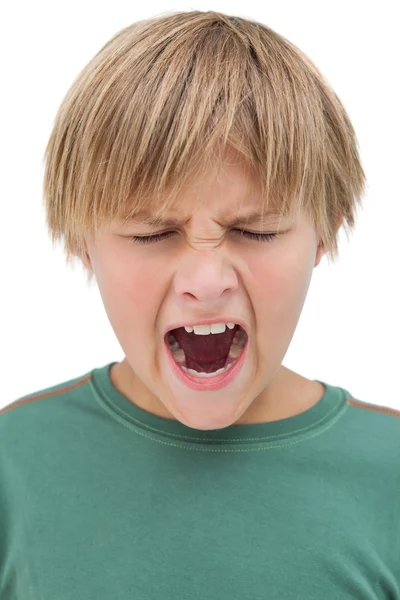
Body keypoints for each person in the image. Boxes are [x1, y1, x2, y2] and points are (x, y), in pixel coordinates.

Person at [1, 10, 399, 599]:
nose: (206, 282)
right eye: (151, 234)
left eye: (257, 231)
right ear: (83, 244)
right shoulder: (14, 462)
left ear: (326, 234)